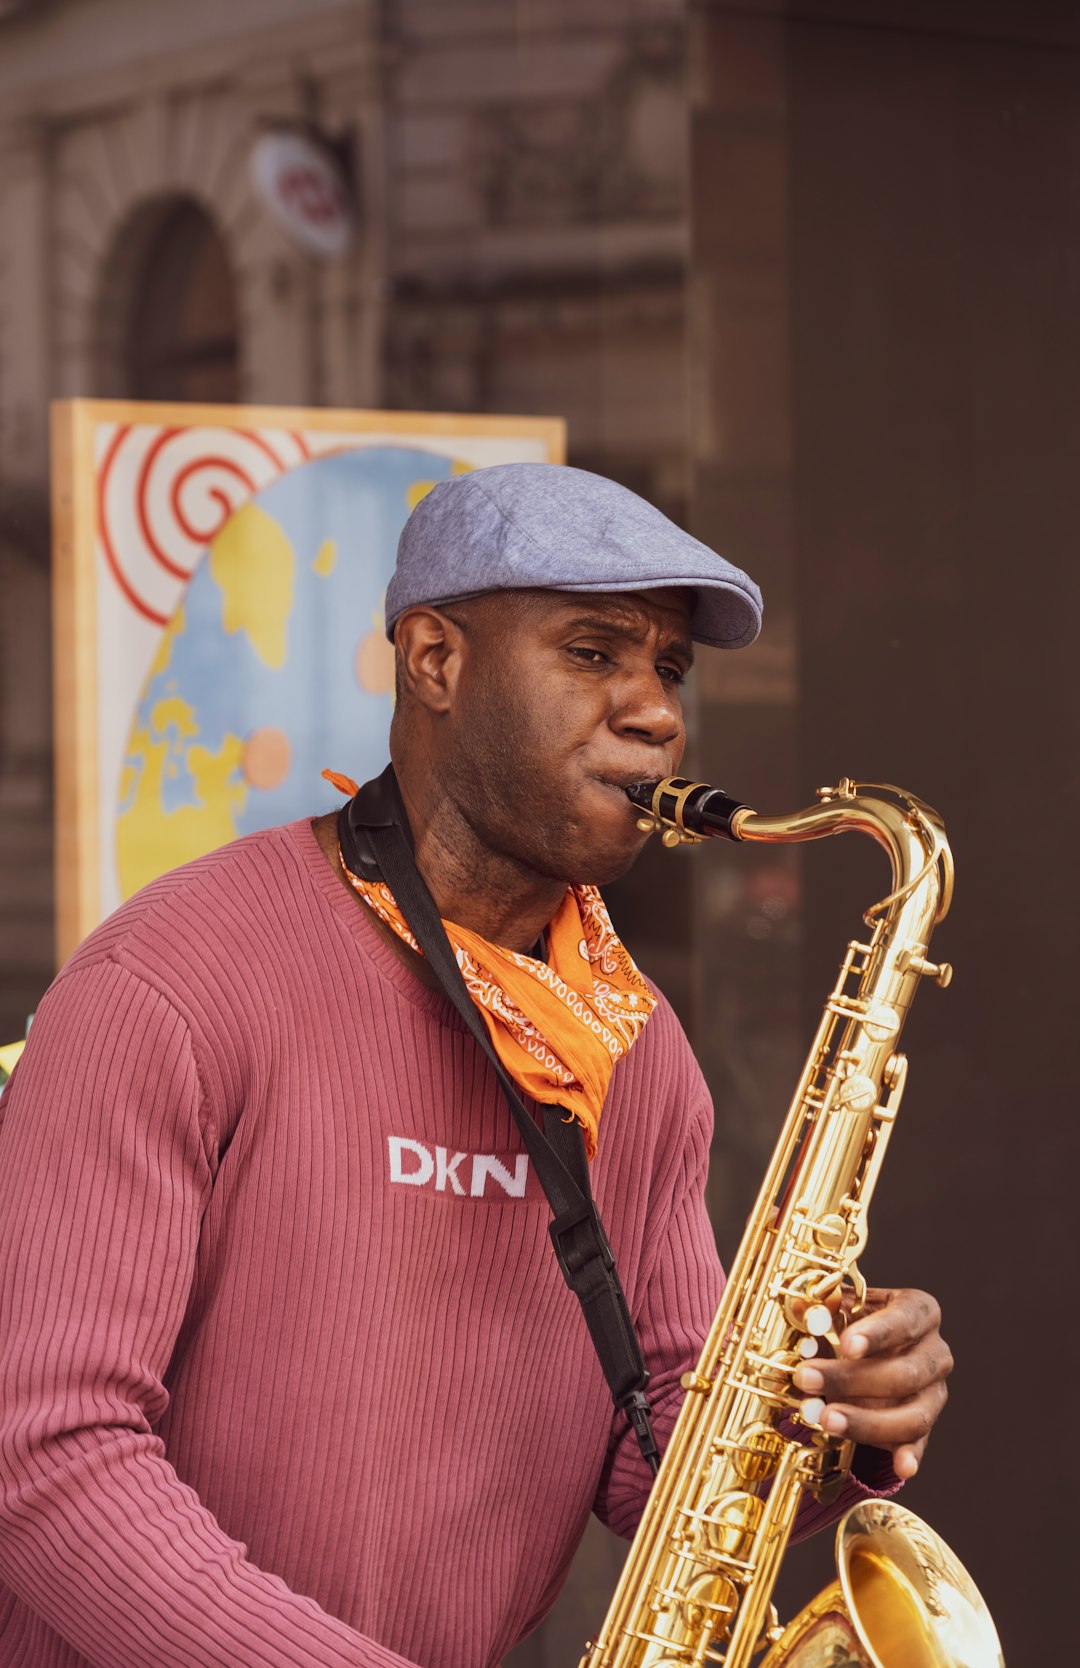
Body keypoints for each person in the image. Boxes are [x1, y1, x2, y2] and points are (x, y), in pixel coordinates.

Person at [0, 465, 952, 1668]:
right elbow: (47, 1456)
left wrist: (822, 1424)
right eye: (596, 652)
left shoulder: (639, 1048)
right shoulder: (171, 978)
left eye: (669, 668)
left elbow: (653, 1464)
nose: (655, 710)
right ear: (436, 660)